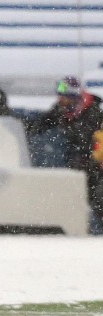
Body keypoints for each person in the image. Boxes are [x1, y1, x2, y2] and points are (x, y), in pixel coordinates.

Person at [25, 77, 103, 232]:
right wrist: (23, 127)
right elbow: (42, 123)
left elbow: (89, 139)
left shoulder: (92, 112)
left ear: (73, 97)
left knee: (98, 198)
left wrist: (89, 160)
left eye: (63, 95)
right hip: (82, 164)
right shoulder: (63, 110)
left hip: (96, 163)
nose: (59, 99)